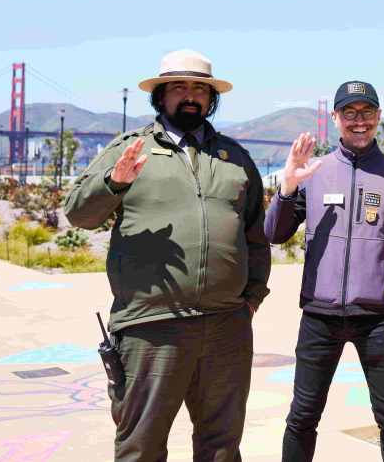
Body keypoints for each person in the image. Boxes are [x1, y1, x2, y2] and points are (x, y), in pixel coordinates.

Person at [64, 49, 270, 462]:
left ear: (211, 99)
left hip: (226, 327)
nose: (190, 96)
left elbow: (255, 237)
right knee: (141, 446)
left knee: (222, 448)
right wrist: (114, 182)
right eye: (179, 87)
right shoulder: (131, 149)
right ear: (160, 96)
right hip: (151, 328)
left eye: (199, 88)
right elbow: (79, 214)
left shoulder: (235, 159)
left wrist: (251, 298)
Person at [265, 80, 384, 462]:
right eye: (349, 113)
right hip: (319, 316)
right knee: (302, 416)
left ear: (378, 118)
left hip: (377, 321)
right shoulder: (314, 173)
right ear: (335, 118)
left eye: (366, 113)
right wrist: (287, 187)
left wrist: (382, 283)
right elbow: (274, 232)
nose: (358, 121)